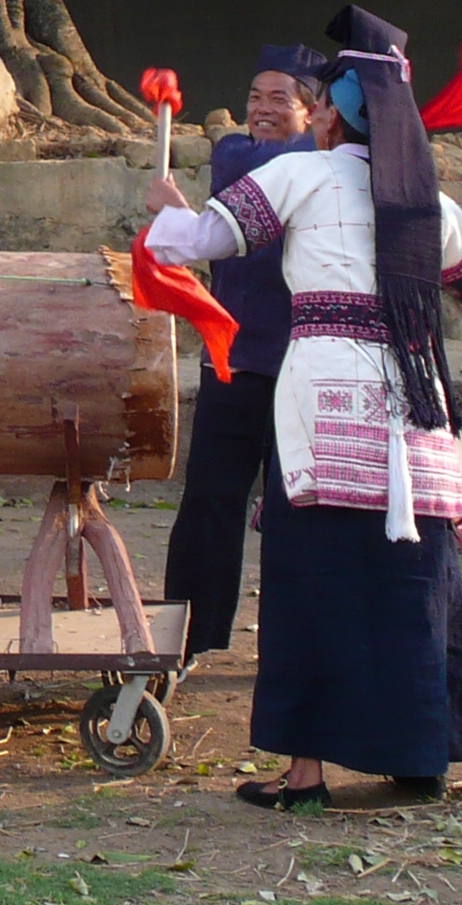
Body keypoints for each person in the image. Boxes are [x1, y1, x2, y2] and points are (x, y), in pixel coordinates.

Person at [143, 7, 462, 811]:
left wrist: (167, 210)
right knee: (409, 577)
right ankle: (420, 757)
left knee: (315, 582)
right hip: (416, 406)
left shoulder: (300, 174)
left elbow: (193, 243)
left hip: (322, 408)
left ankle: (307, 775)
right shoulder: (428, 205)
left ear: (331, 113)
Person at [157, 42, 323, 659]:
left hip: (301, 365)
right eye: (255, 97)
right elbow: (216, 232)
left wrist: (177, 216)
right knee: (208, 501)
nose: (261, 109)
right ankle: (190, 638)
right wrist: (178, 214)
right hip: (232, 356)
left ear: (313, 112)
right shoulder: (237, 155)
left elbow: (260, 168)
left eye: (279, 99)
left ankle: (294, 651)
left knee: (295, 512)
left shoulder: (308, 162)